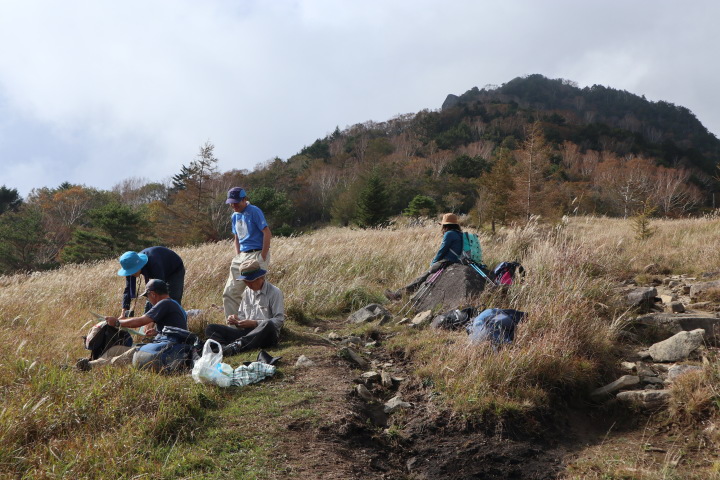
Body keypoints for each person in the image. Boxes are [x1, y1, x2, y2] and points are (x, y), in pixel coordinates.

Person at [77, 279, 188, 370]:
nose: (148, 300)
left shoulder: (164, 303)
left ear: (153, 294)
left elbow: (140, 321)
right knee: (114, 350)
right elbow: (176, 329)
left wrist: (117, 322)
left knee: (133, 352)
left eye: (147, 296)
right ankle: (92, 363)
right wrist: (157, 332)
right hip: (169, 346)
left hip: (166, 347)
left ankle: (91, 366)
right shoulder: (175, 304)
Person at [207, 259, 284, 356]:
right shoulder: (247, 292)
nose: (249, 284)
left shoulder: (275, 292)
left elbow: (279, 320)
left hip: (264, 335)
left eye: (251, 281)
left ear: (261, 277)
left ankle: (235, 346)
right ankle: (224, 349)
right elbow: (242, 315)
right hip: (247, 335)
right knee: (211, 328)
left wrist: (255, 323)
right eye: (246, 281)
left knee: (268, 324)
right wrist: (237, 321)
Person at [385, 213, 464, 300]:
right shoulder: (460, 234)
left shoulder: (449, 234)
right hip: (457, 261)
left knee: (422, 277)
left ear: (445, 225)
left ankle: (398, 295)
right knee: (423, 277)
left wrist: (434, 262)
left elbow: (442, 250)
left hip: (447, 261)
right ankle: (400, 294)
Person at [222, 187, 272, 318]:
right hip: (242, 256)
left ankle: (262, 325)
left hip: (256, 253)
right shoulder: (234, 215)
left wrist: (263, 256)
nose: (233, 205)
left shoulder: (254, 211)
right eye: (231, 203)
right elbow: (237, 237)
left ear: (244, 199)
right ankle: (234, 328)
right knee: (230, 293)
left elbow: (266, 232)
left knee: (257, 291)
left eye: (236, 202)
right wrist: (238, 254)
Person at [118, 247, 185, 317]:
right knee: (151, 297)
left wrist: (152, 317)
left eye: (133, 271)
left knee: (173, 300)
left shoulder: (154, 264)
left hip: (174, 269)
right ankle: (148, 324)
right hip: (160, 268)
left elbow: (160, 290)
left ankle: (175, 321)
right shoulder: (129, 265)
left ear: (139, 265)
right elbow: (128, 290)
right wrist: (123, 312)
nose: (131, 274)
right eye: (129, 272)